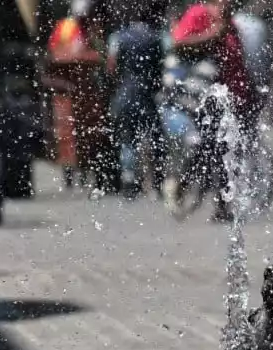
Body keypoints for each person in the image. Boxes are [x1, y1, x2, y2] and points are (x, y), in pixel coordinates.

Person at [169, 0, 253, 222]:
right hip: (207, 98)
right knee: (213, 149)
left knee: (223, 150)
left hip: (234, 99)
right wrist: (213, 33)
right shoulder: (199, 13)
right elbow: (178, 43)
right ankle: (184, 185)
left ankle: (221, 205)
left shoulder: (230, 22)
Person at [44, 0, 113, 194]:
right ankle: (70, 173)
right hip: (67, 92)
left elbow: (104, 58)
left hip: (90, 92)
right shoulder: (65, 28)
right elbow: (54, 56)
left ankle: (92, 173)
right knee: (67, 134)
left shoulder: (96, 30)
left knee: (92, 134)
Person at [107, 3, 164, 198]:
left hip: (125, 93)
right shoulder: (156, 38)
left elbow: (111, 67)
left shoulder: (118, 36)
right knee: (153, 136)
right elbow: (160, 68)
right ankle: (156, 181)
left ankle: (129, 179)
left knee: (127, 138)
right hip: (147, 95)